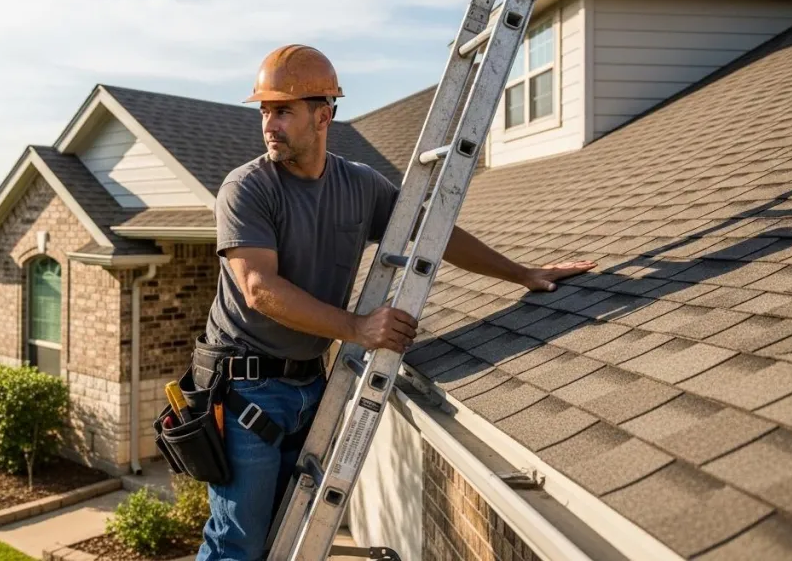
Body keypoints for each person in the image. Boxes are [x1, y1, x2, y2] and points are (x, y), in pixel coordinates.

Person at [192, 44, 595, 560]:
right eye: (266, 111)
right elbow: (258, 288)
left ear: (323, 115)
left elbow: (435, 232)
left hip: (309, 384)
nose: (269, 123)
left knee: (281, 539)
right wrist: (358, 328)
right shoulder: (247, 188)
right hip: (248, 389)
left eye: (284, 110)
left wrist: (521, 273)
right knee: (237, 544)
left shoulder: (359, 185)